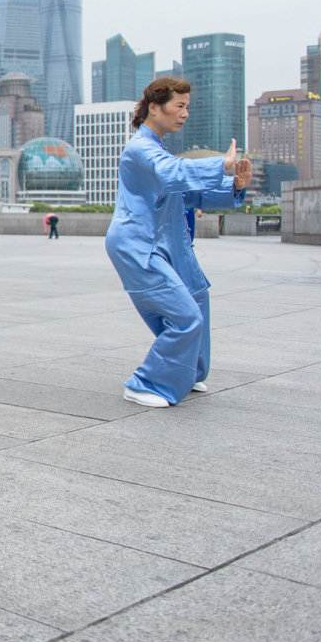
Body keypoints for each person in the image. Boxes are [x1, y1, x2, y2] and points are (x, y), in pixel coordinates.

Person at [106, 77, 250, 408]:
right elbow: (172, 173)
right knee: (185, 316)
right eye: (179, 106)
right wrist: (221, 164)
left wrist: (235, 186)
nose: (185, 113)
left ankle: (187, 372)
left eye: (187, 107)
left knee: (198, 299)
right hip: (138, 244)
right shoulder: (141, 149)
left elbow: (186, 193)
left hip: (168, 241)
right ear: (154, 108)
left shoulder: (157, 149)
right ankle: (146, 383)